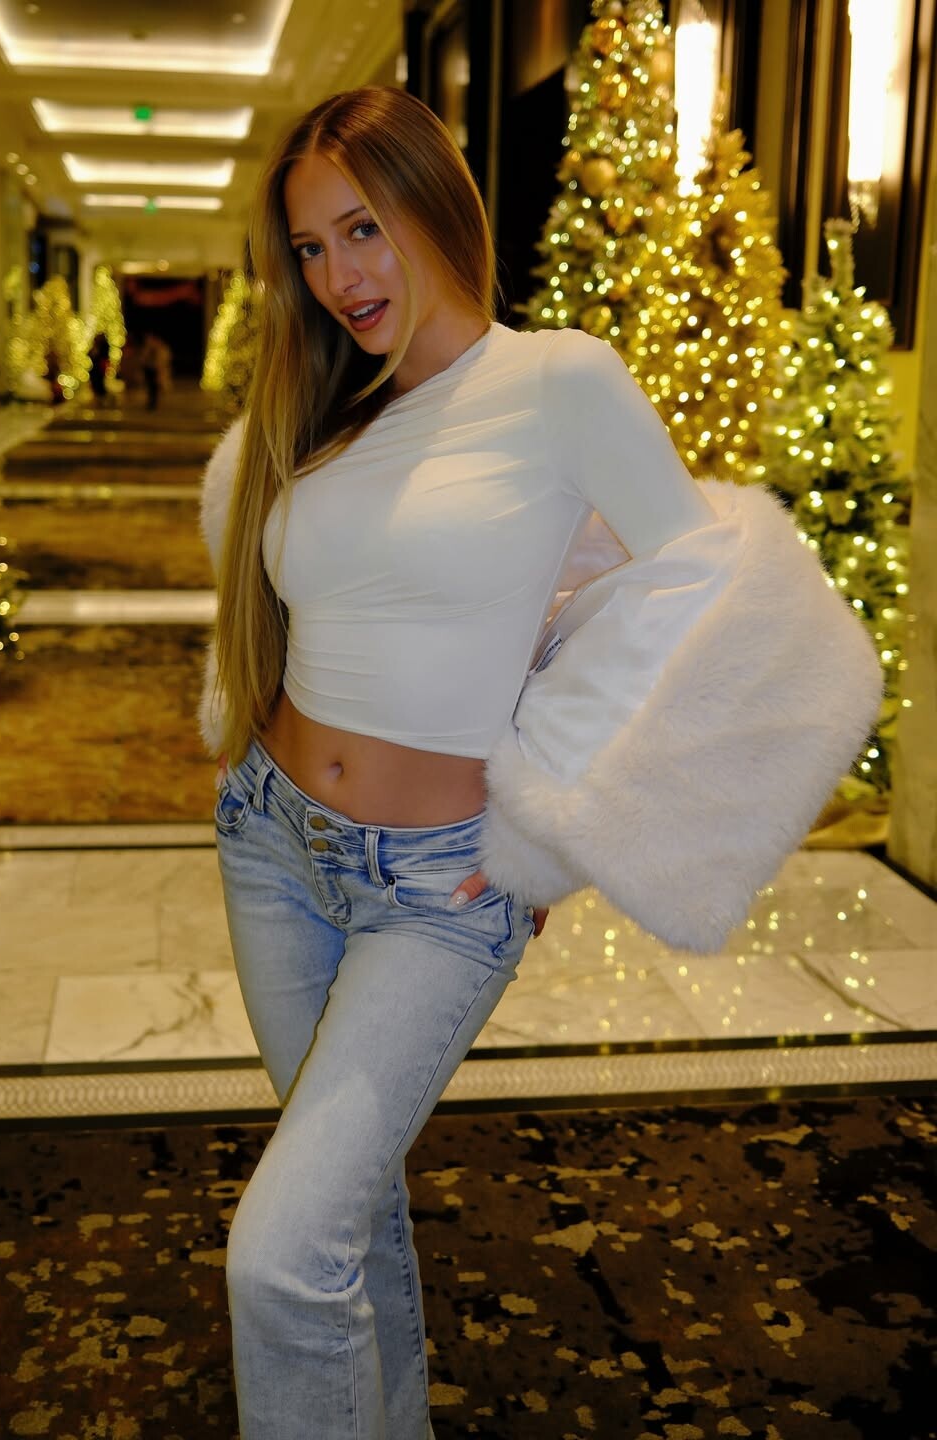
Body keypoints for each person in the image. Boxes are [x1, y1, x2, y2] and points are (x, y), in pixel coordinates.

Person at [198, 87, 882, 1440]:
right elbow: (288, 608)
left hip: (436, 889)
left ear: (435, 204)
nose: (339, 276)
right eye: (312, 248)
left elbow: (705, 606)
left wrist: (554, 824)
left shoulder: (560, 380)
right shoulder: (329, 407)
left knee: (278, 1258)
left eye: (363, 227)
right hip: (270, 844)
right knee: (342, 1218)